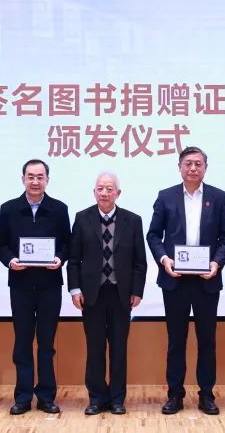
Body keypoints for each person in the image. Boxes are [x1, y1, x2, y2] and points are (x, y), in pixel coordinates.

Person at [146, 146, 225, 416]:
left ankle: (206, 394)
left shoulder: (219, 197)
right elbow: (153, 235)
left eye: (198, 164)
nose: (193, 168)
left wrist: (216, 263)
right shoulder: (166, 196)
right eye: (188, 163)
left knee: (207, 340)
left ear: (205, 168)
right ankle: (175, 394)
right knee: (176, 340)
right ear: (179, 167)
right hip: (175, 280)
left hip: (207, 280)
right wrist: (164, 260)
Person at [67, 172, 147, 415]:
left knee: (119, 348)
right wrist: (75, 289)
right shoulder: (82, 218)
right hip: (92, 294)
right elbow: (74, 260)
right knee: (95, 348)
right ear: (94, 192)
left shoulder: (133, 220)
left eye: (109, 189)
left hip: (121, 294)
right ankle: (96, 398)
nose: (104, 193)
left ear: (117, 193)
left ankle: (117, 399)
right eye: (100, 188)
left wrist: (137, 290)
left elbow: (140, 262)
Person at [0, 159, 70, 415]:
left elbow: (67, 244)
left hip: (50, 285)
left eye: (40, 177)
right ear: (23, 179)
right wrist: (10, 260)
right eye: (31, 176)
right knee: (23, 343)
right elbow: (0, 245)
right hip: (21, 285)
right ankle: (23, 397)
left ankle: (46, 397)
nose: (35, 181)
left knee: (47, 344)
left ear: (47, 180)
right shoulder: (8, 209)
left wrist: (60, 258)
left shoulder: (59, 209)